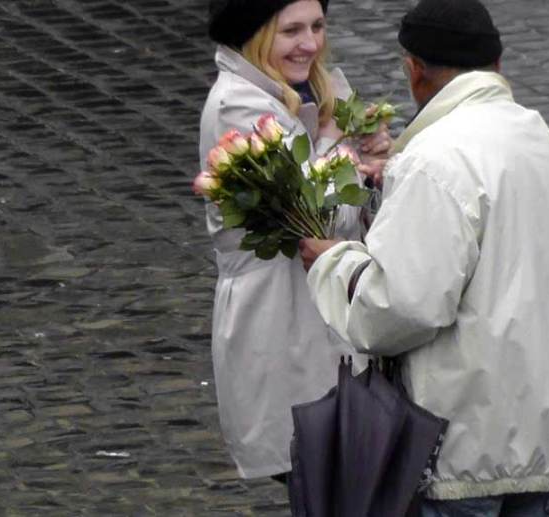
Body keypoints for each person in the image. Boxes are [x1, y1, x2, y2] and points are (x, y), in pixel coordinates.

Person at [299, 0, 549, 515]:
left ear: (414, 71)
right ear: (496, 65)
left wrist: (334, 264)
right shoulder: (536, 136)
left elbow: (402, 308)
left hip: (461, 449)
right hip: (547, 435)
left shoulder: (435, 156)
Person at [199, 0, 390, 481]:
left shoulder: (315, 94)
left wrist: (383, 167)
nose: (310, 43)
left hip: (328, 332)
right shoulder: (240, 108)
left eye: (318, 26)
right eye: (291, 31)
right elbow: (316, 217)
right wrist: (344, 150)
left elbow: (359, 211)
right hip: (284, 334)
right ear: (256, 33)